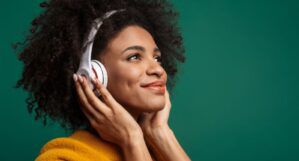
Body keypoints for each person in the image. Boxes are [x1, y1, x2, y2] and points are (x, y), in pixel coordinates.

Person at [15, 0, 190, 160]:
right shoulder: (63, 158)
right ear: (92, 75)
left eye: (157, 58)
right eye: (134, 57)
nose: (158, 69)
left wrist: (161, 133)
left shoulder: (157, 151)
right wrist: (132, 139)